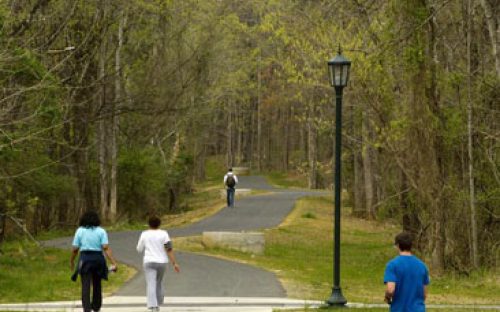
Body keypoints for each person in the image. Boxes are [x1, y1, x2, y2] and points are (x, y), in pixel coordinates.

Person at [70, 211, 117, 312]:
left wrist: (72, 260)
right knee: (97, 283)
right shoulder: (101, 231)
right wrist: (113, 262)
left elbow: (75, 249)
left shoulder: (80, 231)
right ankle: (96, 306)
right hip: (98, 258)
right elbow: (105, 247)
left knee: (85, 285)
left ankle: (86, 308)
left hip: (85, 258)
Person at [136, 216, 180, 312]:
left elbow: (139, 249)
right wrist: (174, 263)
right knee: (159, 282)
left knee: (151, 283)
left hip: (149, 261)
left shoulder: (144, 234)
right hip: (162, 262)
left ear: (149, 224)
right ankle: (158, 302)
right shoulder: (164, 234)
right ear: (159, 224)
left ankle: (153, 306)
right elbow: (169, 249)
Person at [383, 232, 430, 312]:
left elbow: (391, 289)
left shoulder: (392, 265)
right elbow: (424, 294)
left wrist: (387, 297)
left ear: (398, 246)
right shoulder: (422, 266)